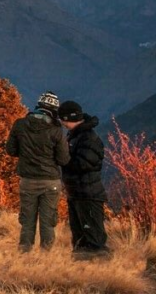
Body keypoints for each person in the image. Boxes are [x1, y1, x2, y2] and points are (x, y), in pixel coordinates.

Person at [5, 91, 70, 252]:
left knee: (27, 221)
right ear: (54, 110)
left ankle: (24, 253)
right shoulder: (56, 131)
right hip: (50, 181)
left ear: (39, 105)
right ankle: (46, 257)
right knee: (48, 222)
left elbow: (11, 150)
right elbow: (63, 160)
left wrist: (26, 153)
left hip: (28, 180)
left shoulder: (20, 124)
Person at [58, 100, 111, 258]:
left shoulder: (88, 138)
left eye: (62, 119)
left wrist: (63, 160)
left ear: (68, 118)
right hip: (77, 193)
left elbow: (84, 163)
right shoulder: (75, 135)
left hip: (88, 194)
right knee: (80, 237)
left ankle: (101, 266)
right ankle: (82, 266)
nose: (61, 123)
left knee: (94, 238)